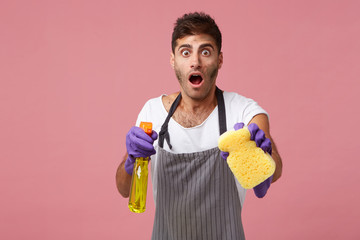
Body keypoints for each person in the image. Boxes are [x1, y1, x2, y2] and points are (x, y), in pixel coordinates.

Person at [116, 12, 283, 240]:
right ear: (173, 60)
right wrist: (130, 161)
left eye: (205, 52)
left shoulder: (243, 110)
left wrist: (265, 158)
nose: (195, 61)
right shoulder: (152, 112)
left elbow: (274, 168)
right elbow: (125, 189)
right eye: (186, 52)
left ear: (220, 59)